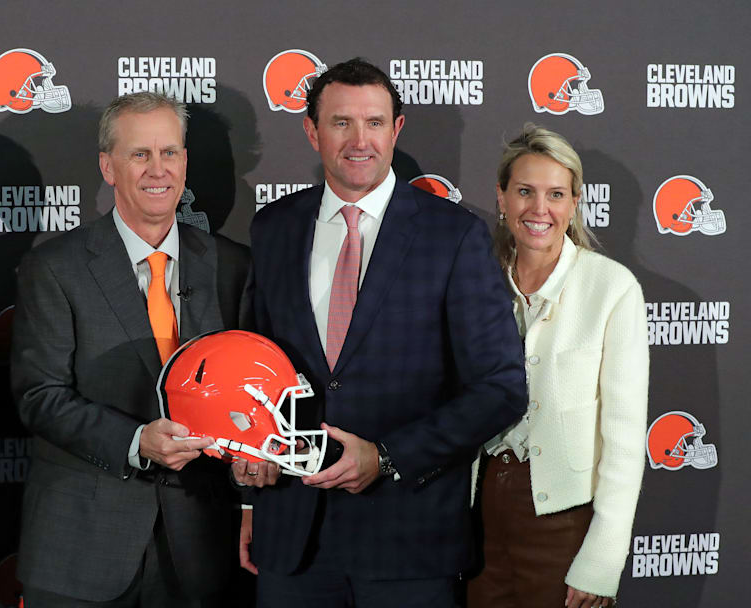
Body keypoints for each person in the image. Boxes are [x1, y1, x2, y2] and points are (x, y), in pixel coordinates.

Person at [241, 57, 526, 607]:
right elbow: (257, 367)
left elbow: (500, 387)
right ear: (311, 130)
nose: (359, 140)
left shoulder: (454, 235)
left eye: (374, 123)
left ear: (396, 129)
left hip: (409, 543)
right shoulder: (273, 228)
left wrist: (388, 456)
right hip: (294, 540)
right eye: (341, 122)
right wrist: (250, 501)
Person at [10, 91, 250, 607]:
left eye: (169, 153)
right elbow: (40, 396)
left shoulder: (232, 267)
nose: (157, 169)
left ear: (185, 162)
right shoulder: (55, 268)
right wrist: (137, 439)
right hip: (81, 551)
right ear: (108, 166)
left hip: (199, 551)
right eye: (139, 154)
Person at [467, 124, 648, 608]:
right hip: (478, 515)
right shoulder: (476, 279)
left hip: (564, 523)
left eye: (555, 194)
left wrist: (603, 560)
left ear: (574, 203)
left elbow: (626, 440)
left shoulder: (612, 288)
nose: (539, 209)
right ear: (501, 198)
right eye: (524, 191)